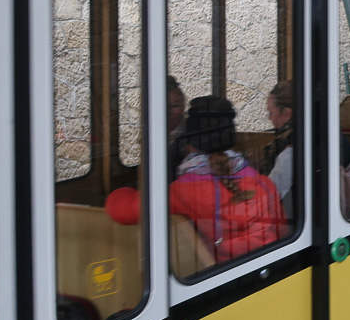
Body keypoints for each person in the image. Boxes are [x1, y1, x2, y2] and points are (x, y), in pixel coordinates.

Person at [107, 96, 285, 261]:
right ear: (232, 139)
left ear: (189, 145)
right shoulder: (264, 184)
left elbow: (120, 210)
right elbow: (282, 231)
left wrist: (121, 190)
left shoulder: (181, 193)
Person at [261, 81, 294, 220]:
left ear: (287, 114)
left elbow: (269, 195)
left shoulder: (288, 153)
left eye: (271, 113)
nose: (269, 118)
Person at [167, 75, 187, 181]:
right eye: (164, 106)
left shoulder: (192, 133)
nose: (168, 112)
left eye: (174, 106)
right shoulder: (151, 131)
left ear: (183, 107)